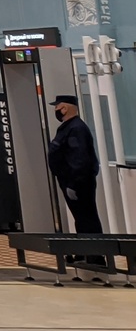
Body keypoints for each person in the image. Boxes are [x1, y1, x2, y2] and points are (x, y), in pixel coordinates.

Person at [48, 95, 104, 235]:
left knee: (87, 219)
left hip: (78, 183)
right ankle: (84, 252)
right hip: (71, 181)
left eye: (57, 107)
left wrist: (73, 184)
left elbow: (80, 159)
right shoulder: (70, 128)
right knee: (81, 219)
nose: (55, 109)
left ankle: (94, 255)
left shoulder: (76, 129)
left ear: (64, 108)